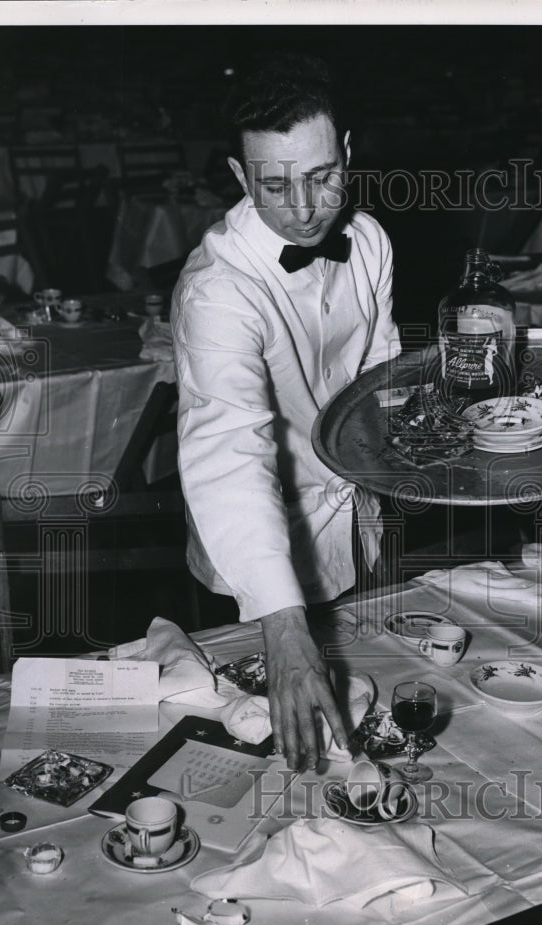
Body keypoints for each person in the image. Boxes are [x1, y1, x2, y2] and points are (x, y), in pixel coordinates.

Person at [171, 53, 401, 773]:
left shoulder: (369, 240)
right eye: (275, 185)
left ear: (348, 154)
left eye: (322, 176)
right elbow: (228, 451)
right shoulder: (218, 289)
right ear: (240, 178)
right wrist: (282, 623)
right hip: (256, 556)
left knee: (370, 740)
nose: (304, 209)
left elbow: (378, 377)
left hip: (356, 526)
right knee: (251, 760)